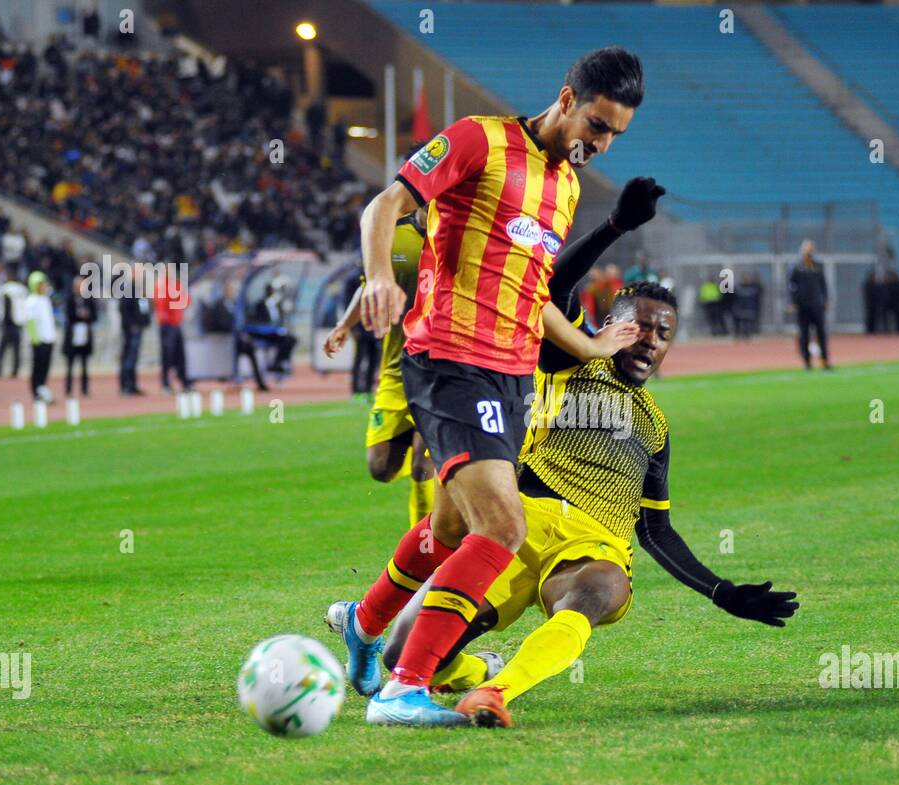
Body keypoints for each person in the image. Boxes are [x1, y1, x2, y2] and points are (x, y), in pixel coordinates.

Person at [344, 47, 656, 726]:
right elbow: (385, 205)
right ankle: (405, 688)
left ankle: (366, 626)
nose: (601, 144)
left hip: (513, 376)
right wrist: (376, 276)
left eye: (614, 136)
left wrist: (592, 344)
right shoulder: (477, 140)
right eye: (597, 127)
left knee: (451, 528)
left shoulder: (567, 189)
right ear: (567, 99)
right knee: (504, 525)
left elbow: (533, 292)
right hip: (449, 359)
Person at [359, 282, 797, 727]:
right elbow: (557, 286)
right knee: (402, 650)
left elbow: (655, 530)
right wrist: (616, 224)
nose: (651, 341)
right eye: (640, 327)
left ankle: (495, 692)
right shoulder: (570, 364)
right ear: (610, 327)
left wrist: (720, 591)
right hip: (516, 528)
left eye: (663, 334)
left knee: (594, 590)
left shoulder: (656, 426)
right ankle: (475, 670)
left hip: (594, 545)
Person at [325, 201, 436, 527]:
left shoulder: (460, 233)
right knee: (381, 467)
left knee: (421, 466)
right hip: (397, 367)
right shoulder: (392, 234)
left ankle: (427, 556)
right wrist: (345, 325)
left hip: (442, 369)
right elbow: (370, 284)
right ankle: (454, 469)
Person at [788, 239, 831, 370]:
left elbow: (823, 284)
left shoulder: (818, 266)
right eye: (807, 249)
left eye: (811, 249)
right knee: (804, 334)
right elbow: (790, 286)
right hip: (802, 306)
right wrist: (792, 302)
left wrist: (826, 300)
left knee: (821, 333)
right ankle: (807, 361)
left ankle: (824, 360)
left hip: (817, 305)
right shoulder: (797, 267)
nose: (809, 252)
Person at [154, 278, 193, 393]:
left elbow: (186, 301)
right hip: (166, 325)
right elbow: (162, 304)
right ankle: (165, 383)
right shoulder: (161, 286)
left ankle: (183, 381)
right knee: (167, 356)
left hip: (176, 324)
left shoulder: (176, 285)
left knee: (180, 355)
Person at [24, 272, 57, 403]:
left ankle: (43, 389)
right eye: (41, 284)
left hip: (48, 339)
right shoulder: (32, 301)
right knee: (38, 367)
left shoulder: (45, 299)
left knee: (45, 367)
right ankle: (36, 391)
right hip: (39, 340)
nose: (44, 286)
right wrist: (35, 339)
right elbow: (30, 321)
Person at [0, 273, 27, 378]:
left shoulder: (6, 289)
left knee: (1, 349)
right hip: (19, 323)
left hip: (9, 324)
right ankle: (15, 370)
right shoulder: (21, 289)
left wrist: (4, 321)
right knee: (16, 349)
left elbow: (5, 309)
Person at [62, 291, 96, 397]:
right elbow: (69, 315)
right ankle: (68, 389)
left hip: (85, 336)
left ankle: (85, 389)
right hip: (73, 337)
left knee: (85, 365)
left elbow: (94, 316)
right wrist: (79, 315)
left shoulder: (88, 300)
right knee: (70, 366)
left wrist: (87, 316)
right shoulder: (70, 300)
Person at [118, 289, 150, 396]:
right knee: (128, 358)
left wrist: (145, 322)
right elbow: (123, 309)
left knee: (133, 358)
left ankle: (132, 384)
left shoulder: (141, 293)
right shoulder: (128, 292)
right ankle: (126, 385)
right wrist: (131, 325)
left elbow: (145, 308)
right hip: (131, 330)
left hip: (138, 328)